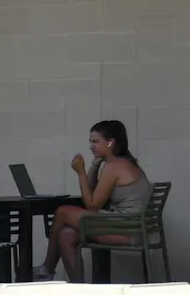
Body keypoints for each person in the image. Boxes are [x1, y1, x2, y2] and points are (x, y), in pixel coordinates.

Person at [35, 120, 151, 282]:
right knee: (66, 235)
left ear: (111, 143)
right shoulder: (118, 162)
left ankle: (47, 268)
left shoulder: (114, 166)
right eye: (90, 141)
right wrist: (95, 164)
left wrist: (81, 173)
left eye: (96, 141)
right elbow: (91, 194)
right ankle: (79, 290)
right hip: (126, 225)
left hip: (127, 228)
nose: (91, 146)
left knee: (62, 212)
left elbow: (92, 205)